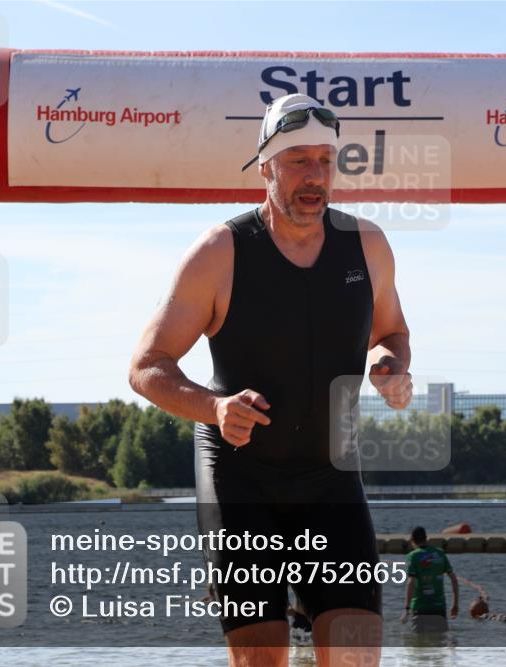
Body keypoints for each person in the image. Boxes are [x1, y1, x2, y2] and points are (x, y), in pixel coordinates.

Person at [129, 92, 412, 667]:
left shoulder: (369, 246)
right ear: (266, 166)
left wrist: (391, 368)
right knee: (263, 660)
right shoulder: (220, 252)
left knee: (358, 654)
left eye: (325, 161)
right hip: (241, 479)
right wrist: (214, 409)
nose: (315, 176)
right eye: (298, 161)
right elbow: (146, 366)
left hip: (331, 479)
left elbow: (393, 332)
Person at [400, 527, 459, 632]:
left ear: (412, 540)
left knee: (418, 644)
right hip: (439, 608)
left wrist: (406, 609)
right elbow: (454, 579)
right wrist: (455, 605)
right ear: (426, 538)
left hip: (420, 608)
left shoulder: (413, 556)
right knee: (440, 642)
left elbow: (411, 582)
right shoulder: (440, 554)